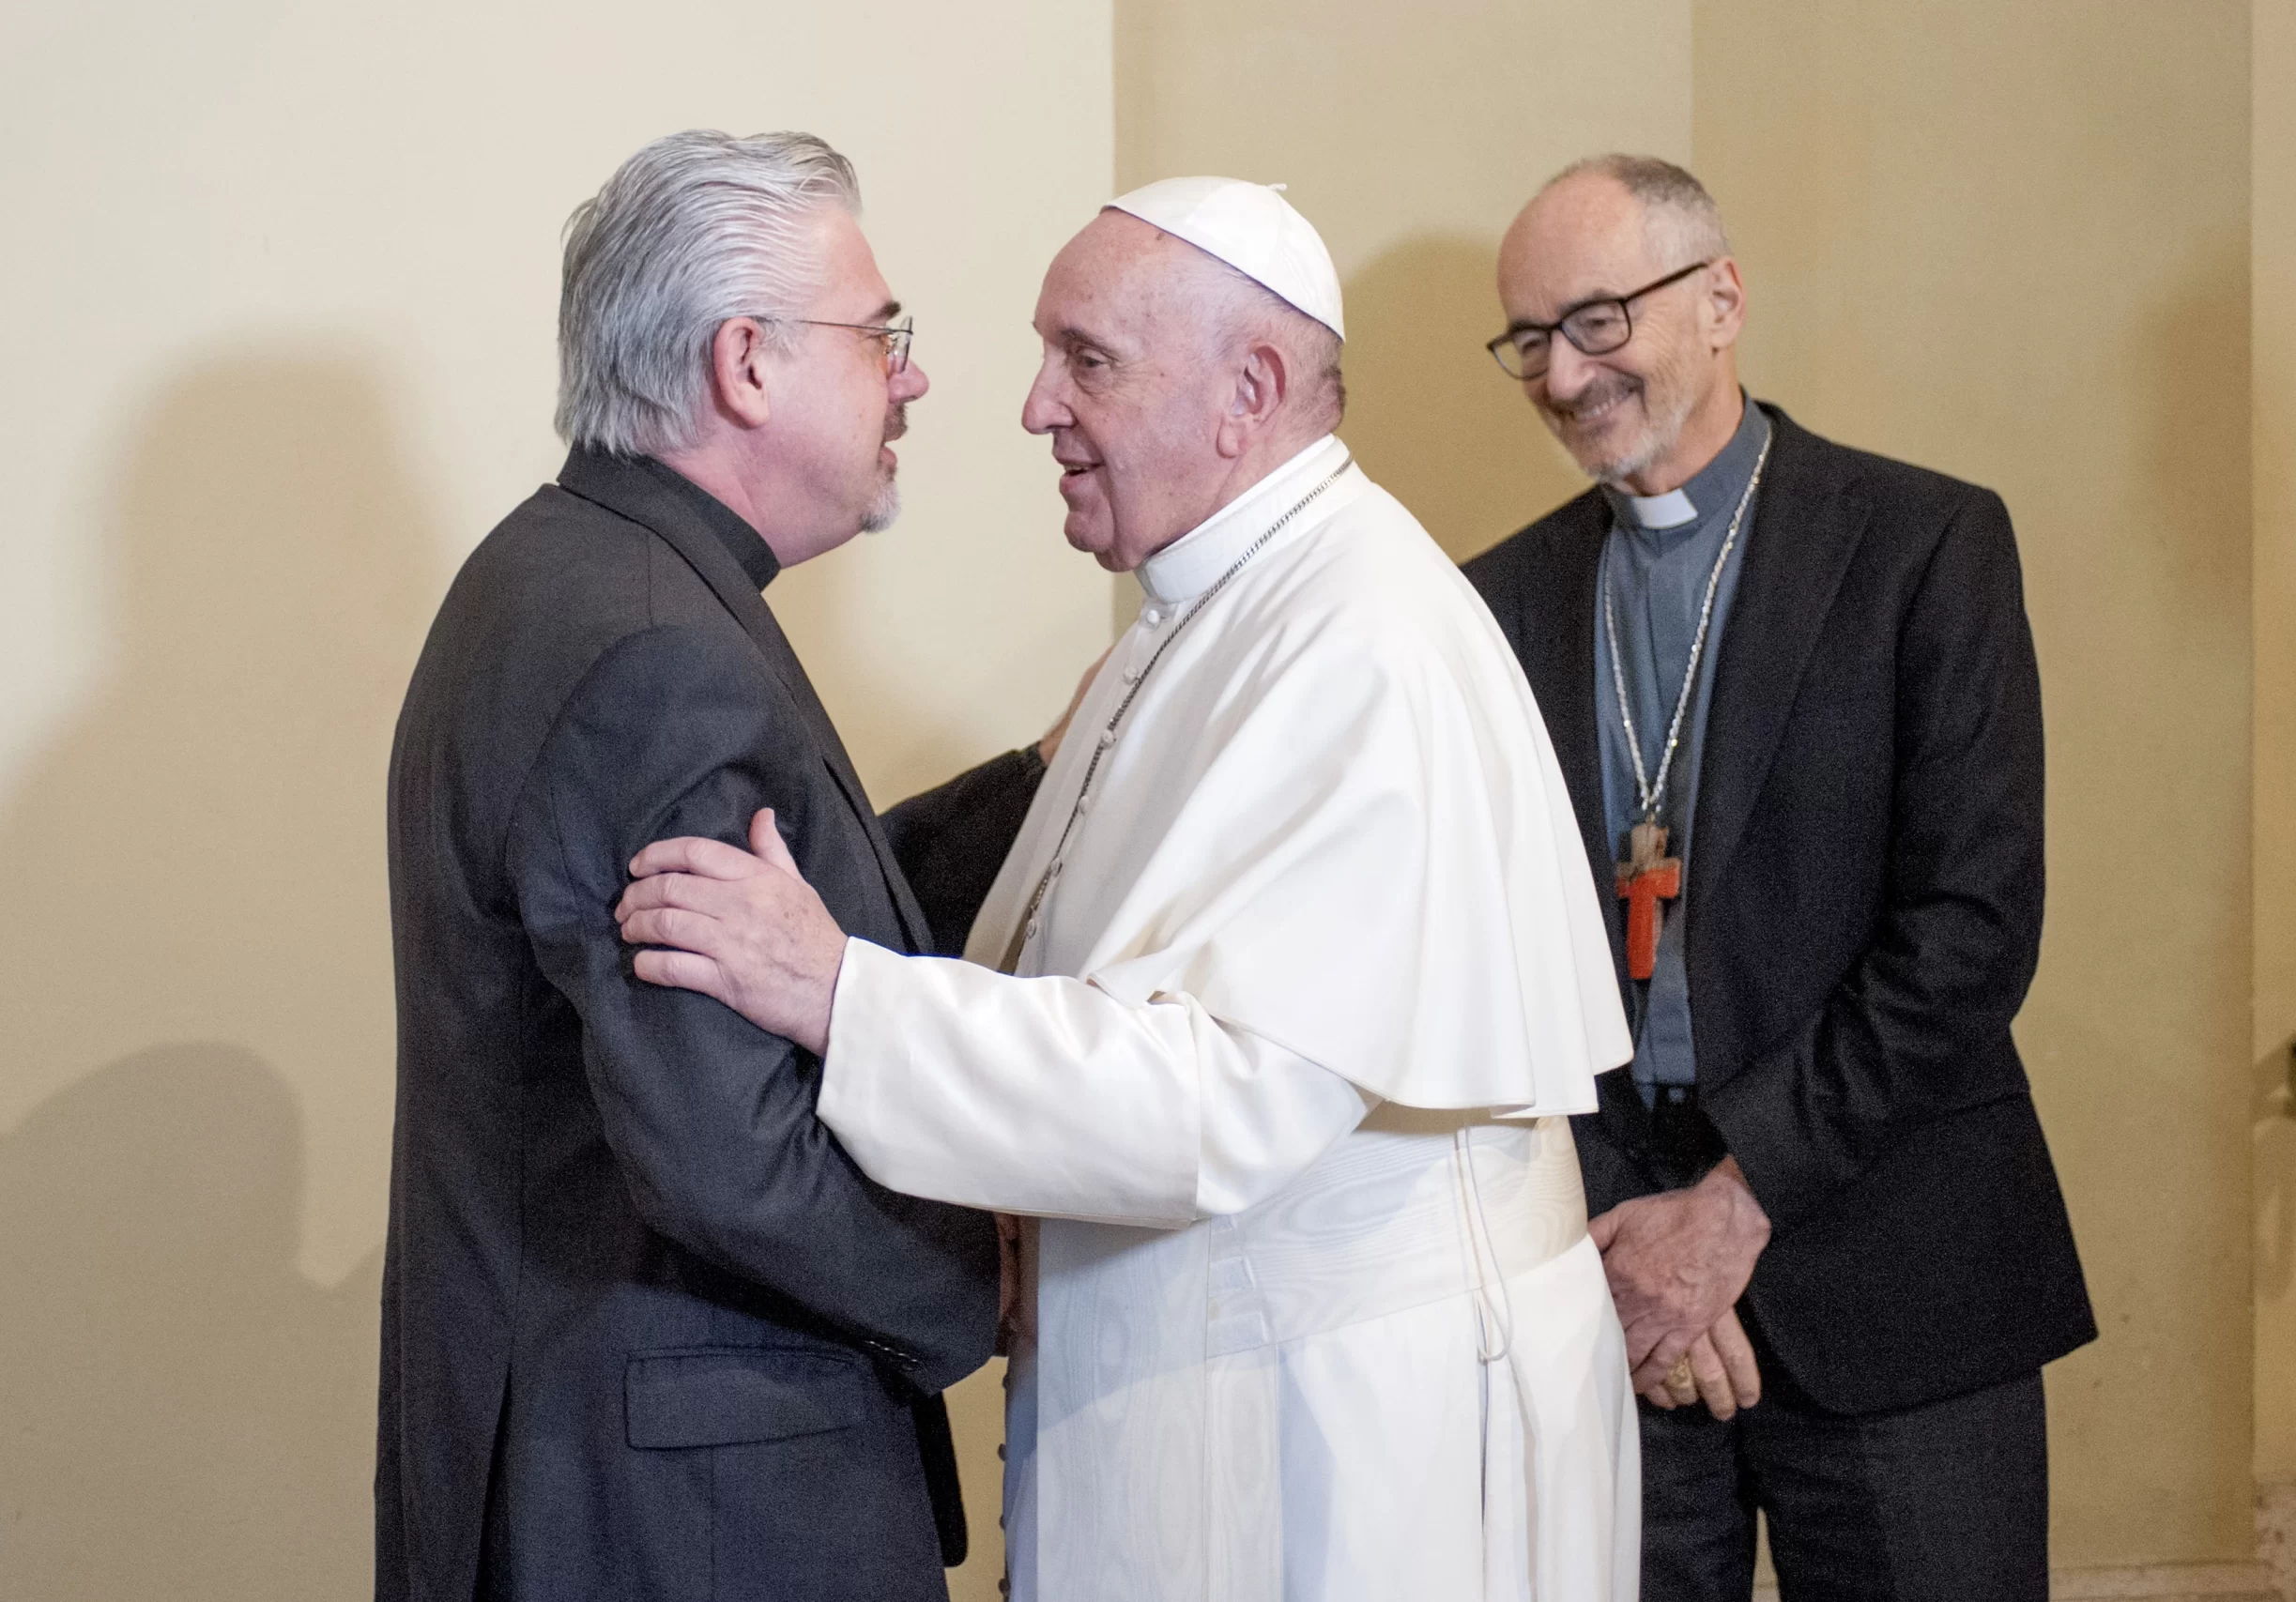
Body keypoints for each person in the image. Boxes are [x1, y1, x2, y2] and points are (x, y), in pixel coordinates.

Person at [612, 177, 1641, 1601]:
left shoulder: (1362, 644)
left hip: (1348, 1439)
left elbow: (1224, 1090)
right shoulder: (1210, 606)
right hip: (1222, 1378)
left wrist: (840, 995)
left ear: (1250, 389)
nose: (1035, 405)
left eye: (1085, 358)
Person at [378, 130, 1060, 1602]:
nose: (916, 376)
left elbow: (784, 925)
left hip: (599, 1462)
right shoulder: (653, 651)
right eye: (884, 333)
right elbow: (731, 1152)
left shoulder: (569, 570)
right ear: (746, 363)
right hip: (692, 1510)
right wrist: (982, 1287)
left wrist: (1042, 791)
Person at [1462, 155, 2097, 1601]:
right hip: (1623, 1295)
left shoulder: (1921, 544)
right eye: (1530, 341)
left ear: (1722, 299)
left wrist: (1734, 1205)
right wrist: (1638, 1232)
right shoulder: (1492, 603)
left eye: (1601, 319)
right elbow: (1490, 960)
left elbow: (1972, 929)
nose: (1564, 374)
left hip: (1895, 1283)